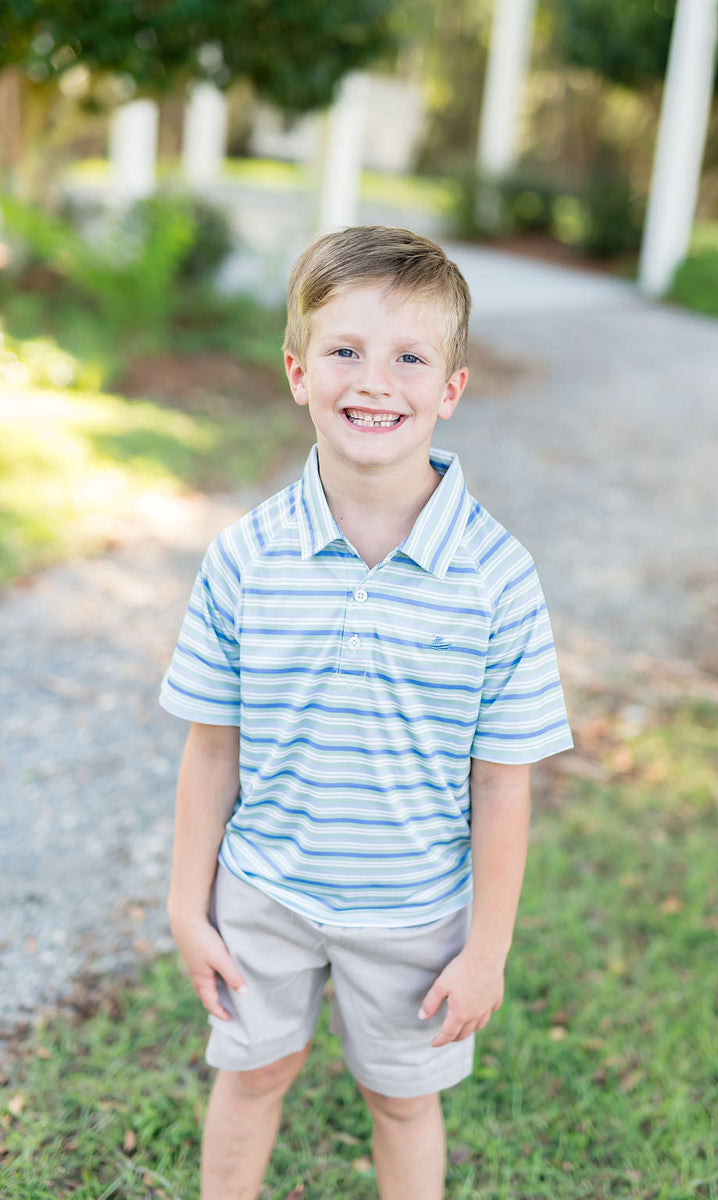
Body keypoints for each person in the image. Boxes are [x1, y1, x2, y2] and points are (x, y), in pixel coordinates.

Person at [159, 225, 572, 1200]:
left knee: (401, 1102)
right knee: (251, 1073)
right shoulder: (245, 558)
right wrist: (187, 903)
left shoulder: (497, 578)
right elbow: (211, 749)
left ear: (449, 389)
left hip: (417, 912)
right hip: (265, 893)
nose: (373, 381)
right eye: (344, 351)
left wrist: (486, 949)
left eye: (407, 358)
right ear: (298, 371)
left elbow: (501, 784)